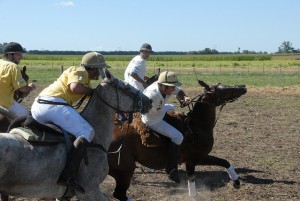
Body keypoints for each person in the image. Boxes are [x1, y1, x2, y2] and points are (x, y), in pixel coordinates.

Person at [31, 51, 110, 194]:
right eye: (100, 69)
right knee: (87, 132)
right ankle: (68, 174)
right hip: (51, 104)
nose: (100, 73)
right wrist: (93, 91)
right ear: (93, 68)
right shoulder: (79, 71)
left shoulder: (85, 79)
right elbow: (75, 88)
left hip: (42, 106)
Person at [141, 71, 191, 183]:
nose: (174, 89)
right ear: (163, 86)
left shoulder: (166, 87)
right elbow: (142, 108)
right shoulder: (151, 95)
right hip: (153, 120)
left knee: (172, 107)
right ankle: (171, 168)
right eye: (172, 87)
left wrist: (185, 98)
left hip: (160, 110)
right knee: (178, 137)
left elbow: (179, 91)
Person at [0, 42, 35, 118]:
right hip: (6, 104)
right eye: (18, 54)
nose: (21, 57)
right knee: (28, 118)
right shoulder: (13, 67)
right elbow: (22, 89)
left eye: (21, 54)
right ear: (9, 55)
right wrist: (31, 87)